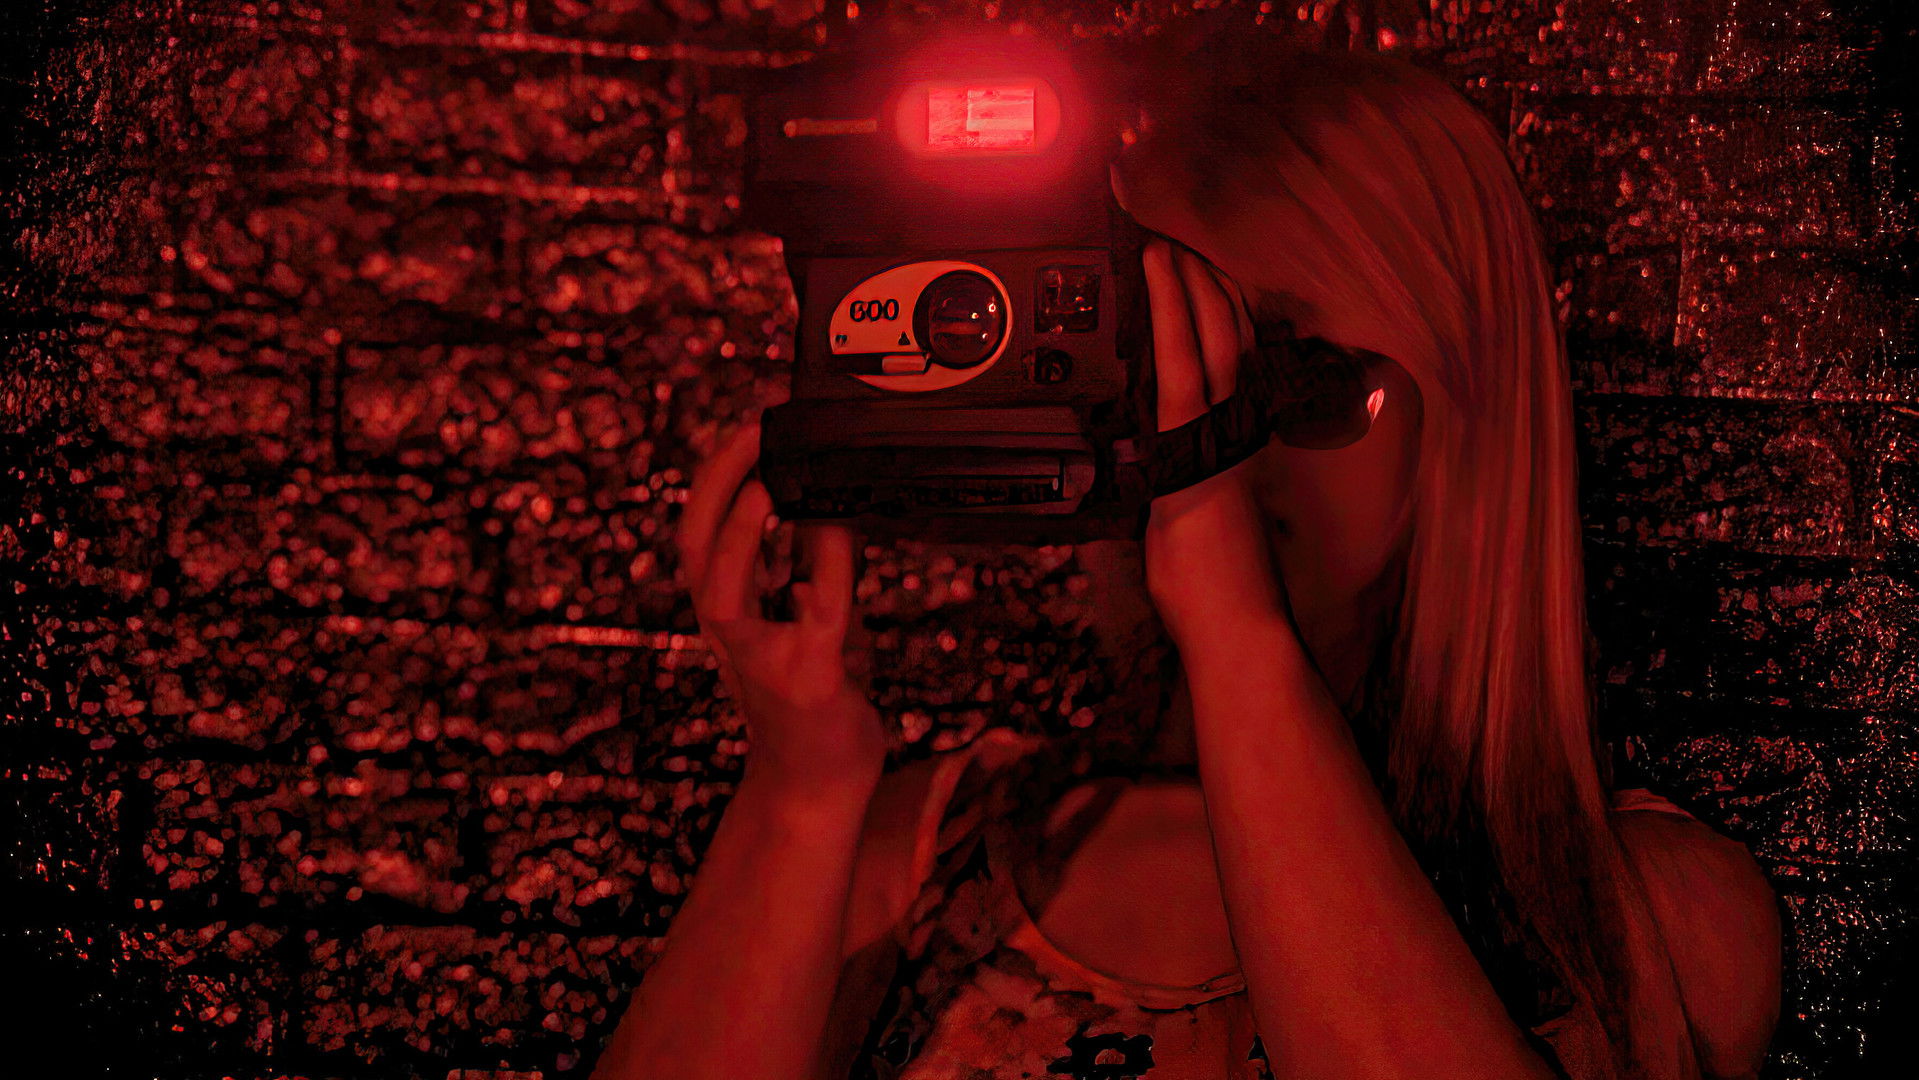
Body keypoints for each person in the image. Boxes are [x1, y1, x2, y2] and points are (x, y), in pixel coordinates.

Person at [589, 39, 1782, 1080]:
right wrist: (797, 792)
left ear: (1469, 423)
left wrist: (1231, 621)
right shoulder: (914, 856)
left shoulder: (1642, 916)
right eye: (1159, 367)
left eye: (1297, 378)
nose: (1213, 433)